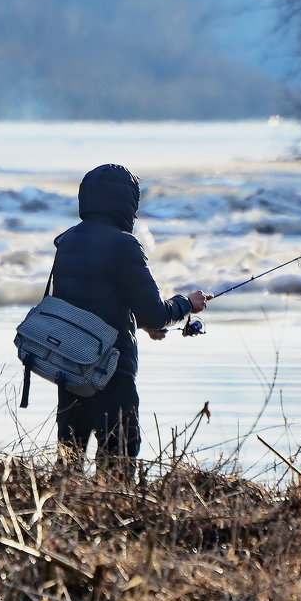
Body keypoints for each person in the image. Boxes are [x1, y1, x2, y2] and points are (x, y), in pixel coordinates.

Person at [50, 163, 210, 480]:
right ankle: (113, 524)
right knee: (118, 465)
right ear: (129, 204)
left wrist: (141, 321)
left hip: (71, 368)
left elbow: (86, 305)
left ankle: (62, 520)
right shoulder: (124, 244)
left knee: (68, 464)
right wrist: (185, 304)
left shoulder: (67, 241)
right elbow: (154, 312)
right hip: (112, 373)